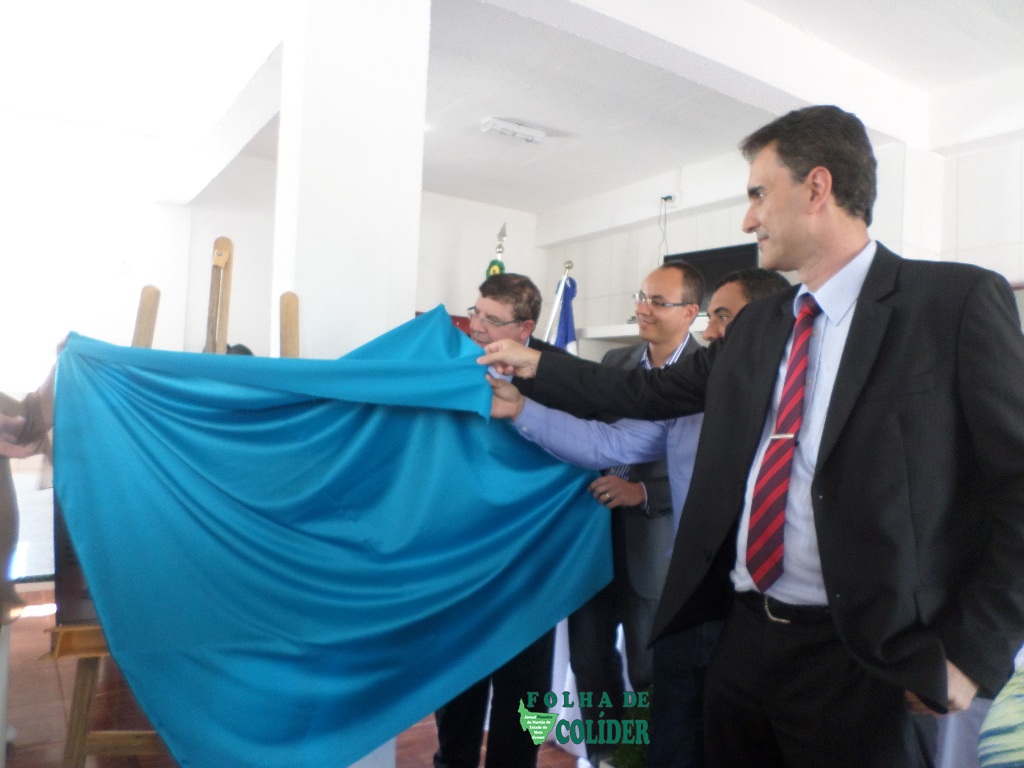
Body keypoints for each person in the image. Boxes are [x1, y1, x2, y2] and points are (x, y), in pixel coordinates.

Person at [480, 104, 1024, 767]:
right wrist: (535, 366)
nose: (747, 219)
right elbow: (644, 394)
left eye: (758, 194)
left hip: (864, 660)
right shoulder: (763, 324)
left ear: (817, 187)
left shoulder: (952, 304)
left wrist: (975, 651)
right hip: (740, 637)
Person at [492, 267, 789, 768]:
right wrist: (521, 408)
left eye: (724, 318)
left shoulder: (802, 404)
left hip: (760, 602)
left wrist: (644, 494)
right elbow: (607, 442)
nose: (712, 332)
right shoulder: (686, 393)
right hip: (689, 586)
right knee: (669, 722)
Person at [568, 261, 703, 768]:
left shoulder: (707, 373)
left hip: (655, 543)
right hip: (592, 535)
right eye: (641, 297)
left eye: (658, 302)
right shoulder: (616, 362)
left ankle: (644, 759)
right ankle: (605, 758)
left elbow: (707, 469)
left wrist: (642, 491)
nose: (643, 309)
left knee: (650, 668)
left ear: (690, 312)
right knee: (589, 659)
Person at [433, 272, 564, 768]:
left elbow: (586, 448)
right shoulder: (447, 369)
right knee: (457, 692)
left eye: (492, 319)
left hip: (531, 568)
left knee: (527, 696)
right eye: (476, 313)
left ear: (525, 328)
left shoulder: (561, 379)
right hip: (462, 564)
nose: (477, 326)